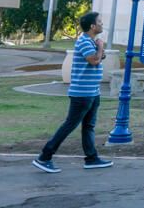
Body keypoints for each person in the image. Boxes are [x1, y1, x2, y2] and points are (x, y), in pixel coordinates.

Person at [32, 11, 113, 173]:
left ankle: (91, 158)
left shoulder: (90, 41)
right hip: (82, 93)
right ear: (92, 26)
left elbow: (98, 58)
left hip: (92, 92)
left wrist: (99, 48)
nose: (102, 24)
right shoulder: (84, 41)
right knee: (69, 125)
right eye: (100, 22)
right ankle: (45, 156)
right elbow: (94, 60)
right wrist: (101, 47)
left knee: (88, 126)